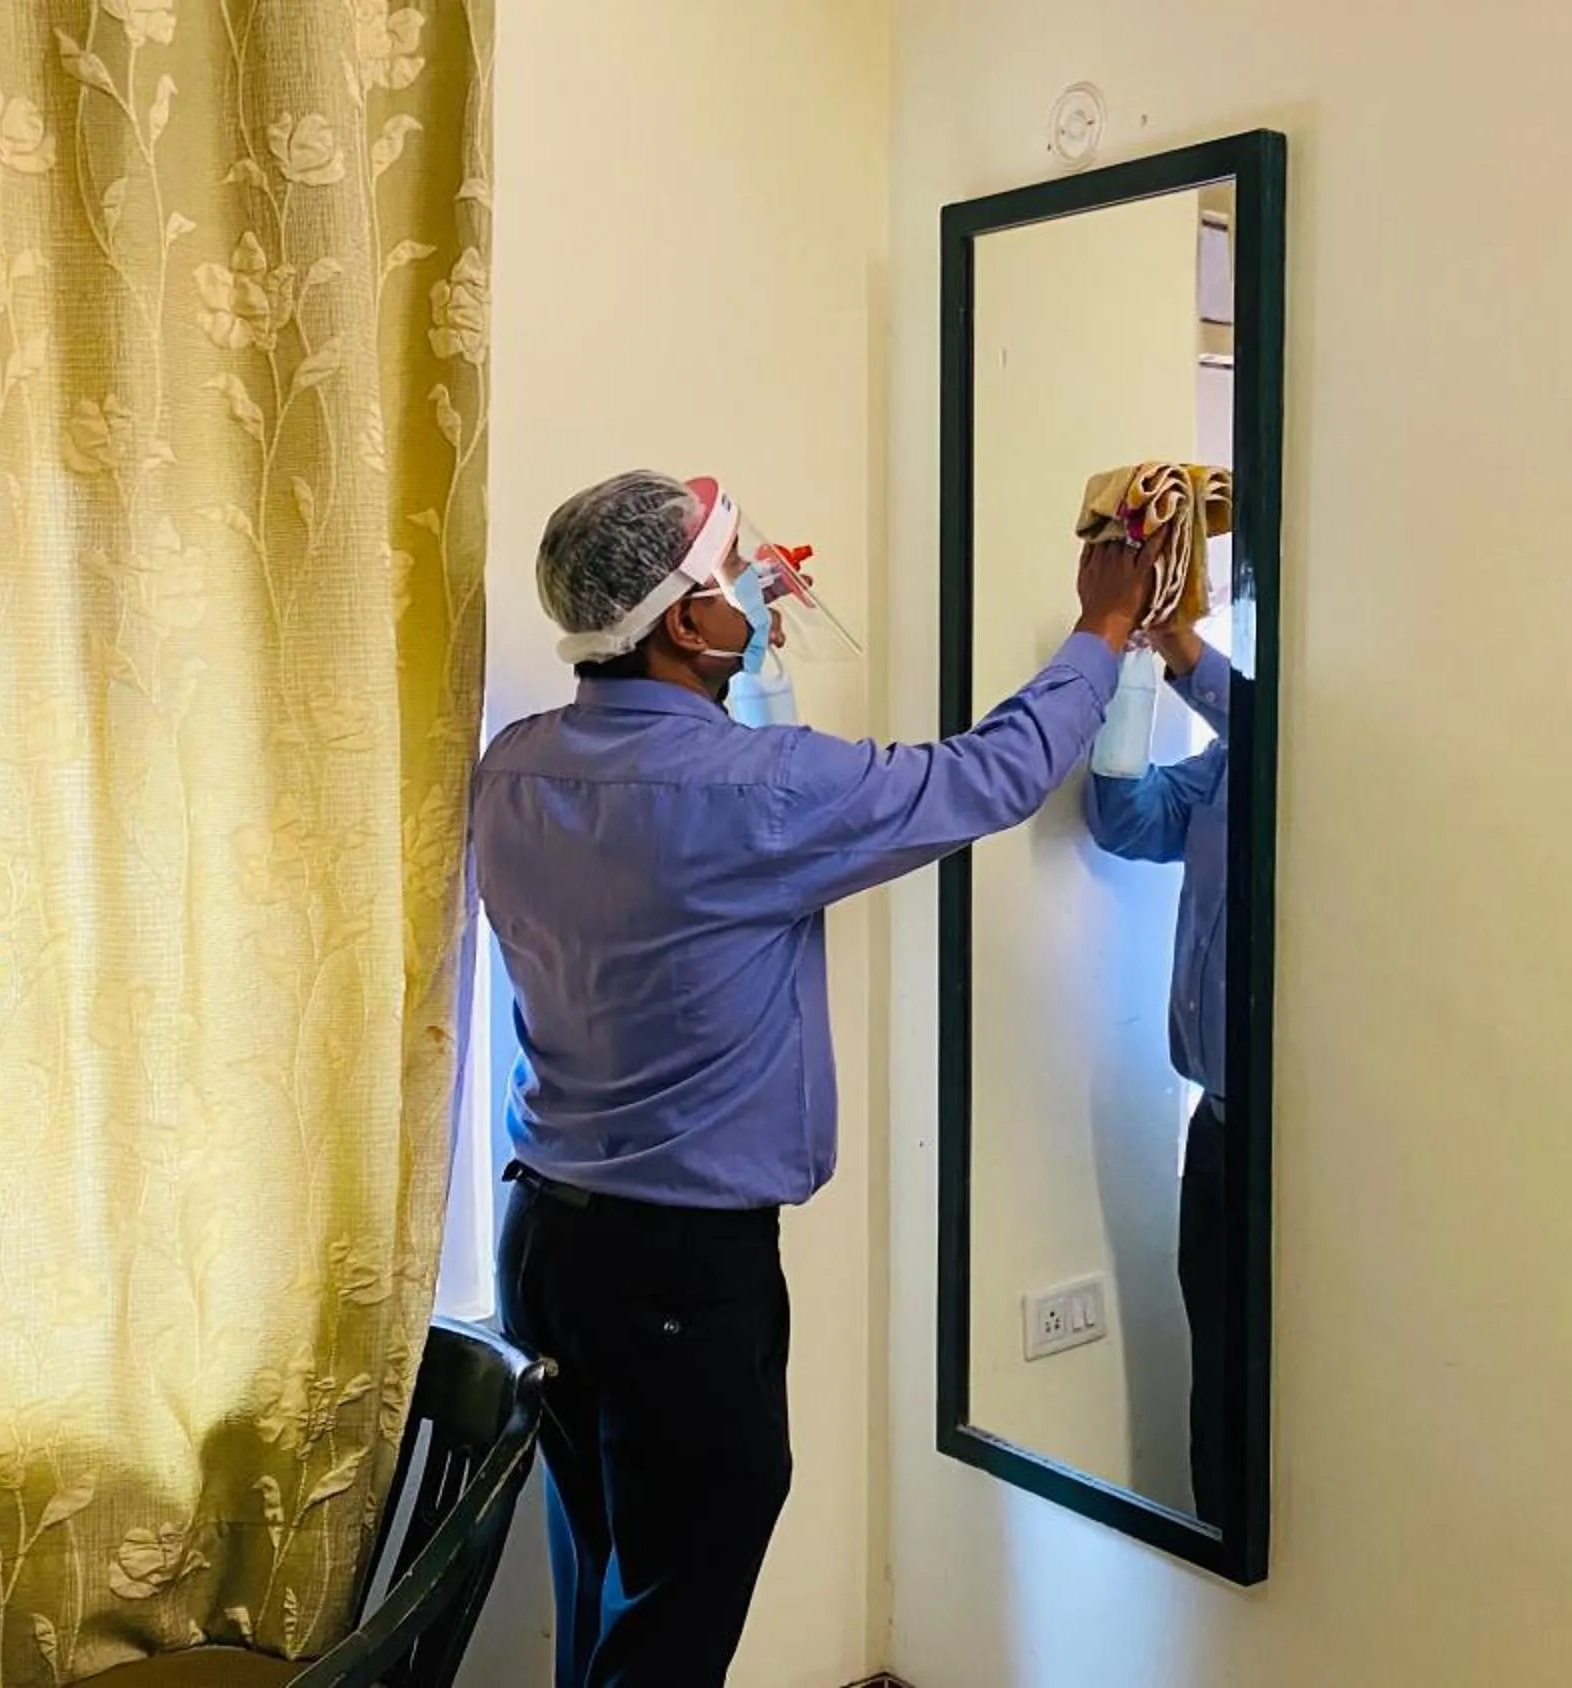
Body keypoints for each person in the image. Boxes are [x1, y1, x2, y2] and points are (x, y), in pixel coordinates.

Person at [471, 469, 1154, 1688]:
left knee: (608, 1572)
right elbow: (987, 775)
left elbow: (701, 806)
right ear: (682, 622)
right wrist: (1102, 631)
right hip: (679, 1270)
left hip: (545, 1245)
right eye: (735, 573)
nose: (761, 587)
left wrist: (737, 647)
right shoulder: (759, 791)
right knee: (678, 1605)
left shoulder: (515, 766)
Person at [1081, 621, 1241, 1526]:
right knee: (1213, 1370)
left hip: (1294, 1152)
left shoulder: (1309, 758)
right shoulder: (1225, 769)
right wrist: (1136, 667)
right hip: (1215, 1133)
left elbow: (1286, 737)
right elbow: (1122, 817)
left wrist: (1181, 646)